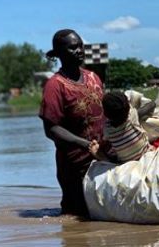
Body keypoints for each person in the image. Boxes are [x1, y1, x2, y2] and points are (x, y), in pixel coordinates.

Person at [39, 29, 113, 216]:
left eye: (80, 46)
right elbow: (51, 129)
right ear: (60, 53)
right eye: (73, 48)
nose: (79, 50)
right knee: (76, 217)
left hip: (102, 159)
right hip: (74, 166)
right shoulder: (55, 86)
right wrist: (85, 145)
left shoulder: (93, 77)